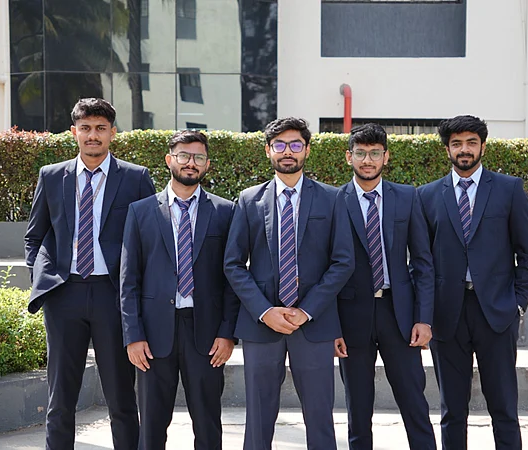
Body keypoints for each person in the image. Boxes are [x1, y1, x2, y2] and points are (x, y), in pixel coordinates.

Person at [24, 97, 156, 449]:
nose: (92, 135)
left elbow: (152, 238)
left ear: (113, 133)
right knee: (60, 398)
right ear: (74, 132)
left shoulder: (136, 177)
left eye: (100, 129)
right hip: (63, 295)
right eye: (85, 129)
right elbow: (34, 237)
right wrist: (42, 281)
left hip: (113, 296)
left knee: (121, 398)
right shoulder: (52, 176)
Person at [223, 117, 354, 450]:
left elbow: (343, 262)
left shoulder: (332, 198)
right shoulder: (249, 199)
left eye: (295, 144)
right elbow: (234, 264)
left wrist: (306, 310)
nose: (287, 152)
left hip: (314, 324)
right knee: (259, 416)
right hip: (262, 324)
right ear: (268, 150)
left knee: (320, 416)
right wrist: (265, 311)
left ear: (307, 150)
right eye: (279, 145)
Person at [417, 115, 528, 450]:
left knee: (503, 408)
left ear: (483, 145)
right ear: (447, 150)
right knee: (451, 410)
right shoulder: (426, 196)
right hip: (447, 316)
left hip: (497, 313)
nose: (464, 150)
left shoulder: (509, 189)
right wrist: (424, 315)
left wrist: (517, 302)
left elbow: (527, 253)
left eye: (471, 142)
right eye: (456, 144)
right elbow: (421, 263)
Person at [120, 130, 239, 450]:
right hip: (154, 335)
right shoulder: (141, 212)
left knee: (208, 423)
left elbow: (233, 279)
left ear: (207, 164)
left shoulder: (225, 212)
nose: (191, 163)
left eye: (198, 157)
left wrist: (228, 333)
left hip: (207, 335)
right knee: (153, 426)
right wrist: (133, 335)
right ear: (169, 159)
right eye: (184, 155)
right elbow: (129, 280)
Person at [335, 123, 437, 450]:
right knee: (358, 408)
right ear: (349, 156)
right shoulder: (335, 200)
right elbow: (326, 269)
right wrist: (332, 327)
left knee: (414, 403)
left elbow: (423, 261)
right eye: (361, 153)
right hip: (352, 318)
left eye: (375, 153)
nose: (368, 160)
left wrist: (423, 318)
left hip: (400, 314)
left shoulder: (407, 197)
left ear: (386, 157)